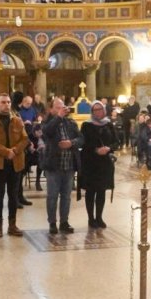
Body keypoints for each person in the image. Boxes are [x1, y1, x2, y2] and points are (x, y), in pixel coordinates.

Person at [0, 92, 27, 237]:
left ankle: (12, 225)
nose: (6, 105)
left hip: (15, 162)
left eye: (8, 102)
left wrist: (14, 150)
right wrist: (5, 152)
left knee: (13, 196)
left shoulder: (17, 119)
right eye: (3, 102)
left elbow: (25, 139)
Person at [40, 97, 82, 235]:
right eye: (57, 107)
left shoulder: (70, 122)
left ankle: (64, 222)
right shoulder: (47, 122)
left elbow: (81, 138)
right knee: (52, 196)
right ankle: (52, 222)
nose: (61, 110)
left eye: (62, 107)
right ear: (51, 109)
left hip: (68, 165)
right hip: (54, 165)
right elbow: (47, 132)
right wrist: (58, 117)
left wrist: (72, 143)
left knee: (66, 196)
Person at [80, 100, 118, 230]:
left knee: (101, 191)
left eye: (100, 109)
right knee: (91, 191)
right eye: (95, 110)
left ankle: (99, 217)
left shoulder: (109, 125)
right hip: (91, 162)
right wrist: (96, 150)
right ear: (92, 112)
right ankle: (91, 218)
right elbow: (83, 143)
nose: (98, 112)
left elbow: (116, 142)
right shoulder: (86, 125)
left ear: (104, 110)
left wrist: (108, 148)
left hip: (104, 163)